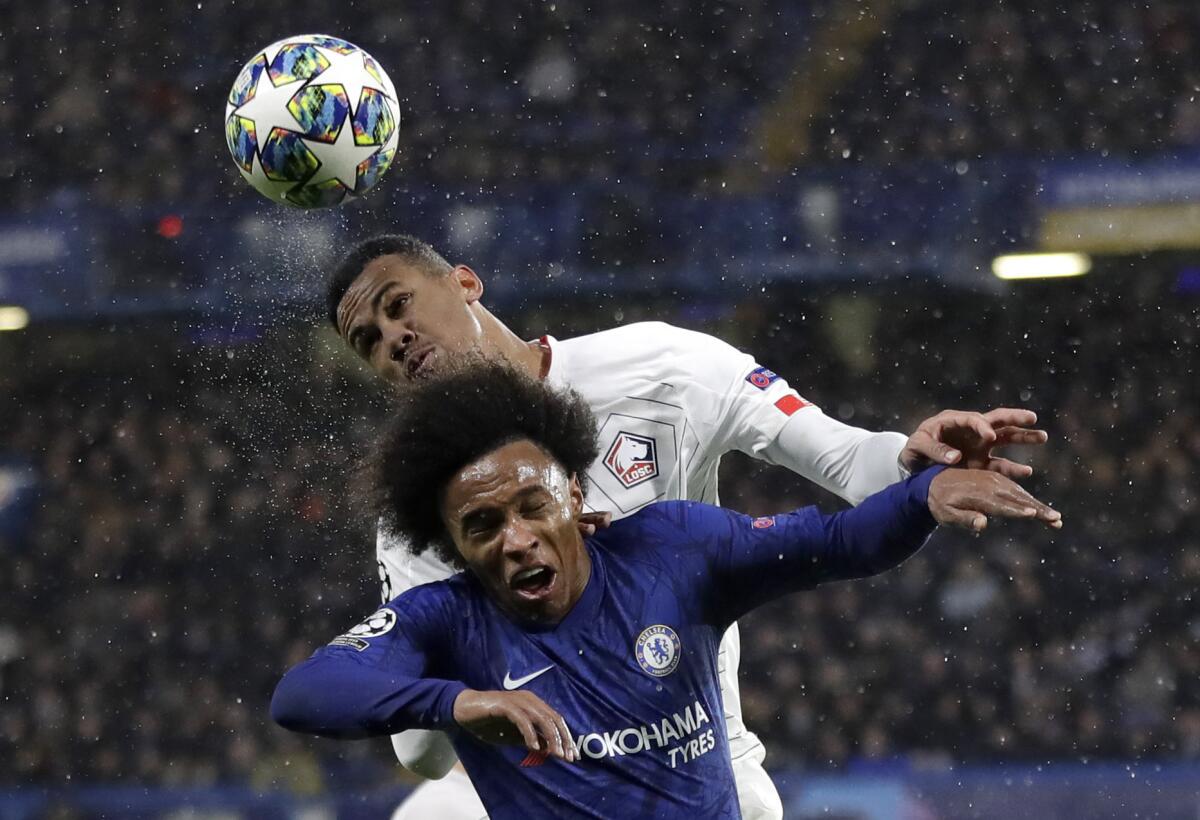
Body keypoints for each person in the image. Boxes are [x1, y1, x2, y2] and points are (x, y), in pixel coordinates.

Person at [326, 234, 1050, 819]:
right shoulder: (414, 519)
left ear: (465, 283)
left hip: (700, 767)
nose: (394, 336)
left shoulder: (663, 368)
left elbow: (848, 460)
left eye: (400, 305)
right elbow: (420, 749)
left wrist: (910, 459)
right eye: (369, 339)